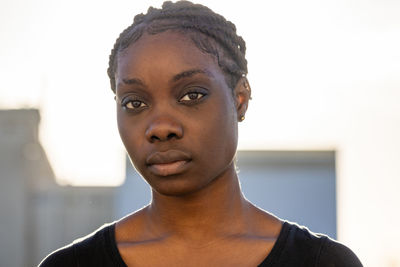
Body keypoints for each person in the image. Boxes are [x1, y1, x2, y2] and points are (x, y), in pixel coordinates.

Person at [39, 1, 363, 266]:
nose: (161, 127)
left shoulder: (321, 263)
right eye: (135, 102)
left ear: (240, 98)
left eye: (191, 95)